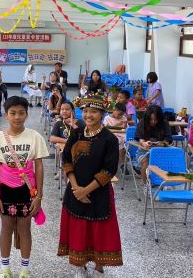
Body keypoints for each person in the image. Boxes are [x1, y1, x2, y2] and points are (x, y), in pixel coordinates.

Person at [58, 94, 123, 278]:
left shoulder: (109, 139)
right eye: (85, 111)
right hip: (75, 190)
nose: (88, 115)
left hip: (98, 192)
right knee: (79, 230)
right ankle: (80, 266)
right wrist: (76, 187)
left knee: (99, 231)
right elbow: (67, 158)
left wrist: (85, 191)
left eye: (93, 111)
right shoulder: (76, 133)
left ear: (102, 113)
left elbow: (109, 170)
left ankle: (99, 268)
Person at [0, 96, 49, 278]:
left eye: (21, 113)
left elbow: (39, 167)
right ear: (6, 115)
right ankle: (5, 268)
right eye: (12, 113)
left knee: (24, 227)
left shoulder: (34, 137)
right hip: (5, 189)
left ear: (27, 115)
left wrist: (39, 196)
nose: (17, 117)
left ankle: (24, 269)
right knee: (6, 227)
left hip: (27, 190)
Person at [135, 105, 172, 184]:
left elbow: (168, 140)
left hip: (161, 152)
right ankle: (146, 186)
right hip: (144, 152)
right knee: (145, 161)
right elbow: (139, 138)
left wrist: (162, 143)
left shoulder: (164, 123)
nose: (153, 122)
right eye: (151, 119)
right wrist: (144, 143)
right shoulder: (142, 123)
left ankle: (163, 184)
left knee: (167, 162)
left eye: (156, 119)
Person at [103, 103, 128, 170]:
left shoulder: (123, 118)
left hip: (122, 134)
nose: (120, 116)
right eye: (119, 114)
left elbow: (125, 128)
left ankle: (125, 160)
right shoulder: (107, 118)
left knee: (127, 141)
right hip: (113, 135)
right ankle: (122, 163)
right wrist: (116, 125)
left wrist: (125, 125)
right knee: (119, 142)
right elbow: (105, 129)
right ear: (114, 110)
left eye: (122, 114)